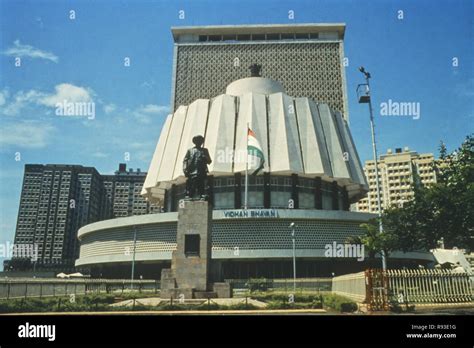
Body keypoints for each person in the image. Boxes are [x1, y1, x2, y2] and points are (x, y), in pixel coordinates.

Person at [183, 135, 212, 199]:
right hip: (192, 170)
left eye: (200, 141)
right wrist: (185, 169)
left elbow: (209, 161)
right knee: (192, 184)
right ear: (195, 142)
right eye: (197, 140)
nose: (199, 142)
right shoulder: (190, 150)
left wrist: (205, 157)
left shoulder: (204, 150)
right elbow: (185, 160)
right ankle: (190, 195)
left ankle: (202, 194)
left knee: (201, 183)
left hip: (201, 170)